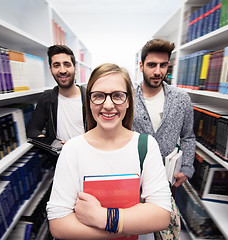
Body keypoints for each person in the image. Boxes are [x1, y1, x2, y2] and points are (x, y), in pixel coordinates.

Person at [46, 63, 171, 240]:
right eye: (98, 96)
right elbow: (59, 224)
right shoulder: (72, 150)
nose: (108, 105)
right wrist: (128, 227)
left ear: (128, 101)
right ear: (89, 101)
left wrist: (100, 217)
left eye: (118, 95)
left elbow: (161, 215)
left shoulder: (146, 146)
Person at [133, 38, 196, 188]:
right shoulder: (129, 98)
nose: (157, 71)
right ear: (141, 66)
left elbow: (188, 136)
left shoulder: (181, 99)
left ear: (169, 65)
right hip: (133, 175)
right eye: (152, 65)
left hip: (167, 178)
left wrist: (186, 168)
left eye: (163, 65)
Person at [26, 44, 87, 143]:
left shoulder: (90, 98)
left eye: (67, 64)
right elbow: (32, 130)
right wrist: (54, 144)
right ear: (51, 70)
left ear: (75, 69)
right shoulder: (47, 98)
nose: (62, 70)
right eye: (56, 65)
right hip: (58, 157)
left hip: (86, 155)